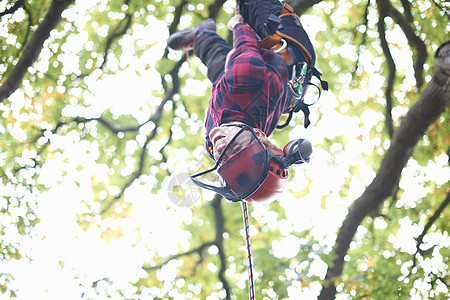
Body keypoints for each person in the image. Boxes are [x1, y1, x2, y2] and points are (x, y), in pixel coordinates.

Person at [167, 0, 322, 203]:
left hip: (229, 94)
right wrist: (238, 25)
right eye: (236, 149)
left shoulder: (218, 141)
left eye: (222, 160)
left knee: (218, 67)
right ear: (258, 134)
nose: (221, 149)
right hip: (270, 52)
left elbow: (226, 151)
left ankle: (201, 35)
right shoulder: (244, 82)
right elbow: (246, 45)